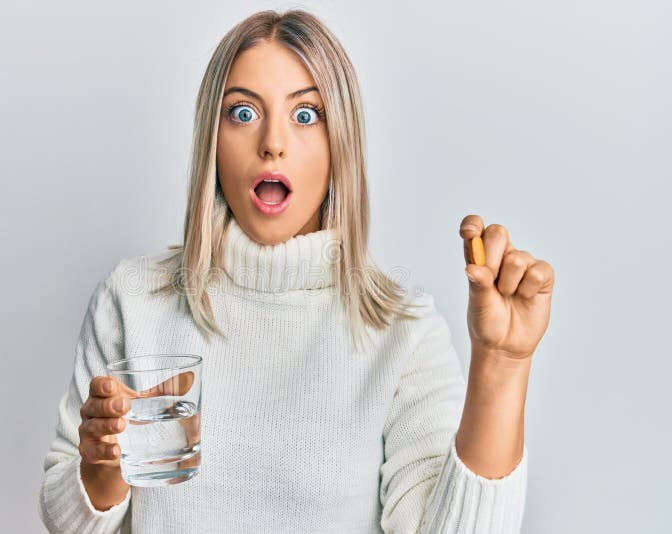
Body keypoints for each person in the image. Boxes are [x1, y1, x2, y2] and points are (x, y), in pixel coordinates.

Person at [38, 8, 554, 534]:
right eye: (242, 113)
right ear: (210, 141)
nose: (272, 143)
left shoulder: (403, 332)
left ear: (340, 146)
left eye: (306, 115)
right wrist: (101, 470)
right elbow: (65, 520)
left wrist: (502, 364)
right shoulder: (133, 300)